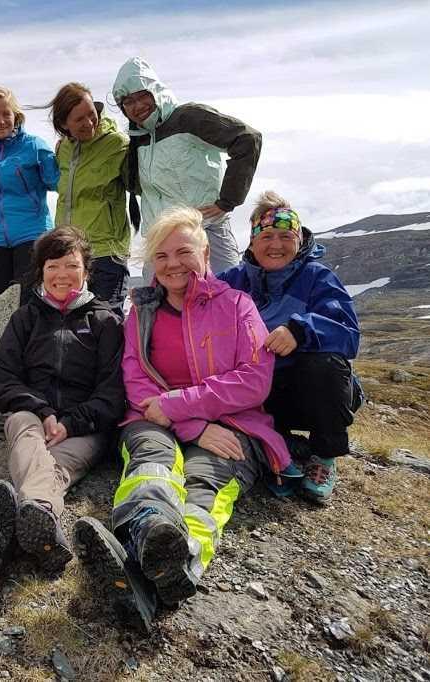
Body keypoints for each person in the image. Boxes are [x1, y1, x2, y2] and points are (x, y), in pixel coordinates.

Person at [72, 207, 298, 613]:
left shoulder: (238, 306)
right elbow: (136, 379)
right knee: (152, 459)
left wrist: (180, 409)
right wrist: (192, 425)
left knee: (205, 481)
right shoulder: (141, 312)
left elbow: (254, 380)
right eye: (161, 256)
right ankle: (148, 529)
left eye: (183, 252)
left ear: (206, 253)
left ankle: (182, 559)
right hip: (152, 417)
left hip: (230, 425)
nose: (172, 264)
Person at [0, 226, 125, 578]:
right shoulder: (25, 318)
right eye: (52, 266)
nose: (62, 275)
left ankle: (17, 531)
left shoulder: (106, 322)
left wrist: (71, 422)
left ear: (87, 272)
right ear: (41, 272)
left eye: (72, 266)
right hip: (29, 416)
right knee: (27, 435)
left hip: (85, 427)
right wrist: (42, 411)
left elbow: (113, 393)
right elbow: (2, 377)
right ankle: (41, 521)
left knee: (51, 466)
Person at [219, 192, 361, 503]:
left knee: (324, 364)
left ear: (299, 239)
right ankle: (282, 443)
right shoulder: (232, 280)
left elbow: (349, 334)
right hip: (259, 393)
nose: (276, 245)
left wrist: (301, 329)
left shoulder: (317, 277)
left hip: (310, 391)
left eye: (286, 236)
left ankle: (324, 455)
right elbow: (195, 301)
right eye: (267, 235)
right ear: (253, 241)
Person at [111, 57, 261, 280]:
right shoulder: (137, 140)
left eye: (143, 95)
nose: (137, 106)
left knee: (228, 298)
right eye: (128, 101)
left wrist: (228, 200)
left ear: (156, 91)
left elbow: (247, 139)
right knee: (159, 309)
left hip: (206, 229)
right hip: (160, 240)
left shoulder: (188, 118)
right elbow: (137, 186)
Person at [0, 87, 59, 297]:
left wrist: (60, 152)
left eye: (5, 114)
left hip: (32, 235)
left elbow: (56, 183)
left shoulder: (34, 146)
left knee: (29, 302)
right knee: (6, 305)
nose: (0, 121)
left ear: (16, 116)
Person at [48, 83, 131, 307]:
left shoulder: (118, 144)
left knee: (107, 325)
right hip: (70, 254)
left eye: (91, 115)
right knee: (75, 329)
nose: (89, 123)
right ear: (64, 124)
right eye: (79, 120)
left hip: (106, 254)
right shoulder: (63, 149)